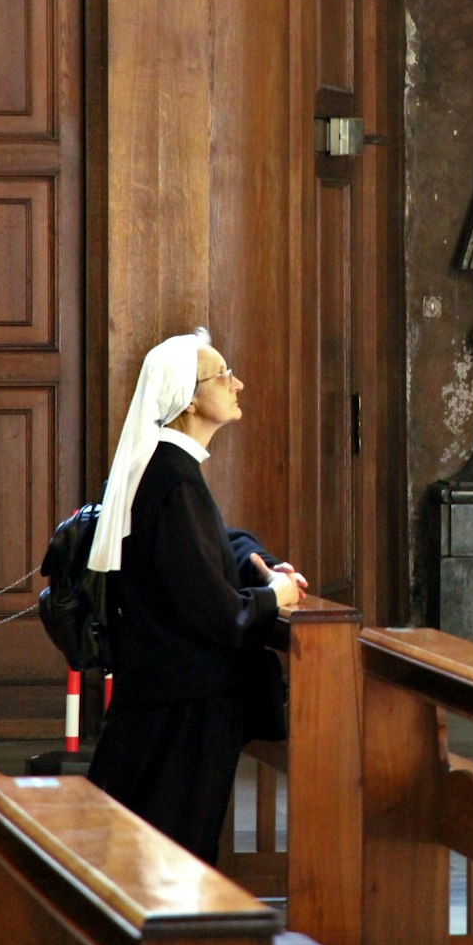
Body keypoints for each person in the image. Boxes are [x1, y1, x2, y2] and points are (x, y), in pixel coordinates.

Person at [86, 328, 307, 864]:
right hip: (186, 700)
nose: (239, 383)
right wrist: (273, 598)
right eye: (223, 375)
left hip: (164, 688)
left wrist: (254, 560)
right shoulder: (176, 479)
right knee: (174, 855)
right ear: (187, 398)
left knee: (143, 844)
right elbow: (214, 612)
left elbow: (212, 544)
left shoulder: (164, 468)